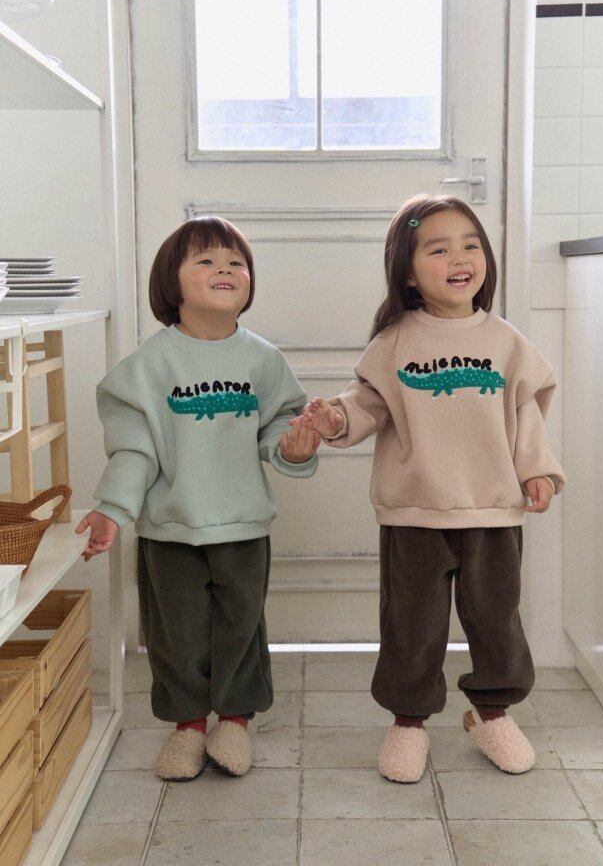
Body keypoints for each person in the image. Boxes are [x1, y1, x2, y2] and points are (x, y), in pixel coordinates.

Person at [292, 193, 566, 782]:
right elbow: (365, 403)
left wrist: (537, 470)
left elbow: (526, 415)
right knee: (411, 627)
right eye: (438, 249)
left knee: (496, 621)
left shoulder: (506, 342)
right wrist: (333, 419)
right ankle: (408, 722)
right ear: (409, 274)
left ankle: (491, 714)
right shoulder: (395, 341)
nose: (459, 258)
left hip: (492, 510)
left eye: (470, 245)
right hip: (414, 513)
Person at [75, 215, 319, 782]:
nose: (224, 269)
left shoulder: (264, 359)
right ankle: (187, 726)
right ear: (172, 281)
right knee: (175, 635)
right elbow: (133, 448)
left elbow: (279, 427)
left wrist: (295, 447)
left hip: (243, 526)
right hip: (170, 528)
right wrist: (113, 510)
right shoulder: (148, 366)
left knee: (241, 628)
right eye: (205, 260)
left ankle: (234, 720)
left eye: (236, 262)